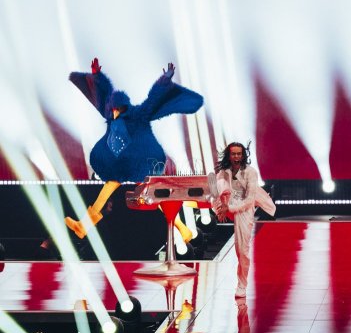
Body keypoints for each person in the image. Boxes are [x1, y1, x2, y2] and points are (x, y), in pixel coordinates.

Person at [65, 58, 203, 240]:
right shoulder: (111, 116)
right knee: (110, 193)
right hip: (120, 165)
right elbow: (105, 93)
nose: (114, 112)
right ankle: (83, 226)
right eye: (112, 109)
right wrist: (97, 76)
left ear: (124, 107)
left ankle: (183, 229)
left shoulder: (138, 114)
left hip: (139, 164)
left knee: (156, 196)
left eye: (117, 109)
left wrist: (164, 79)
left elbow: (153, 100)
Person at [214, 142, 275, 298]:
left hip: (244, 209)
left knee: (242, 250)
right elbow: (217, 193)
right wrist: (221, 207)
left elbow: (249, 201)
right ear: (229, 155)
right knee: (216, 185)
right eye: (233, 154)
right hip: (228, 203)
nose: (236, 157)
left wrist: (231, 209)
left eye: (239, 154)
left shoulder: (250, 172)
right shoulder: (223, 172)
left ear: (243, 155)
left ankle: (242, 285)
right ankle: (220, 208)